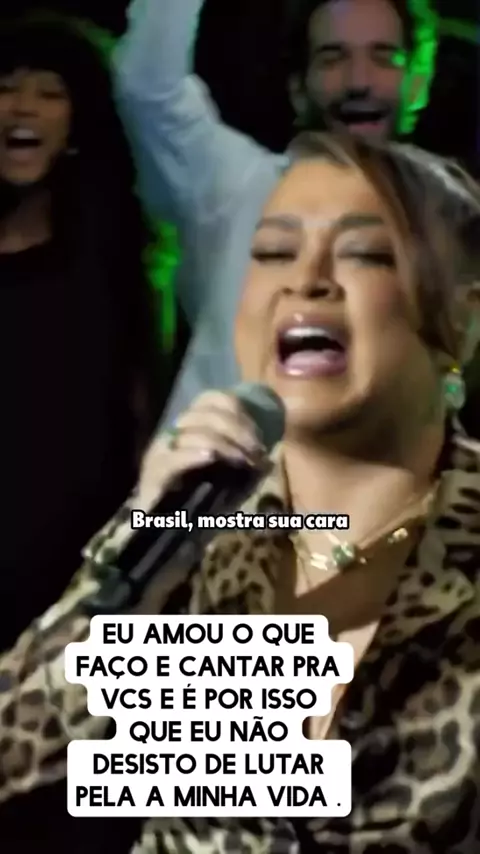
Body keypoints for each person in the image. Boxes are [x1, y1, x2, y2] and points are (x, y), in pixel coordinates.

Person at [1, 132, 480, 852]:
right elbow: (14, 749)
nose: (304, 281)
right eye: (273, 252)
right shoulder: (200, 533)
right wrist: (139, 547)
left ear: (462, 320)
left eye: (364, 253)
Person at [0, 11, 167, 853]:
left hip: (75, 604)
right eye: (4, 87)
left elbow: (143, 426)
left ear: (77, 123)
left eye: (49, 91)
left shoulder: (112, 256)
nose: (22, 107)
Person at [113, 0, 437, 424]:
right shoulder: (236, 187)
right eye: (333, 58)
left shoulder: (448, 232)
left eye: (384, 57)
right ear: (298, 90)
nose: (359, 81)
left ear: (418, 84)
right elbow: (148, 84)